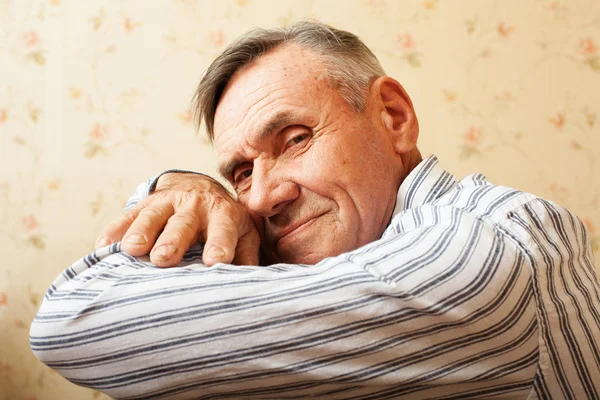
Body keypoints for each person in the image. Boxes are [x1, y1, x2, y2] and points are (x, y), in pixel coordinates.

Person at [30, 21, 600, 400]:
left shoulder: (487, 245)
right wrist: (183, 190)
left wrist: (167, 190)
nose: (263, 197)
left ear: (394, 118)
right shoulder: (317, 269)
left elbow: (72, 320)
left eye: (296, 139)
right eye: (240, 174)